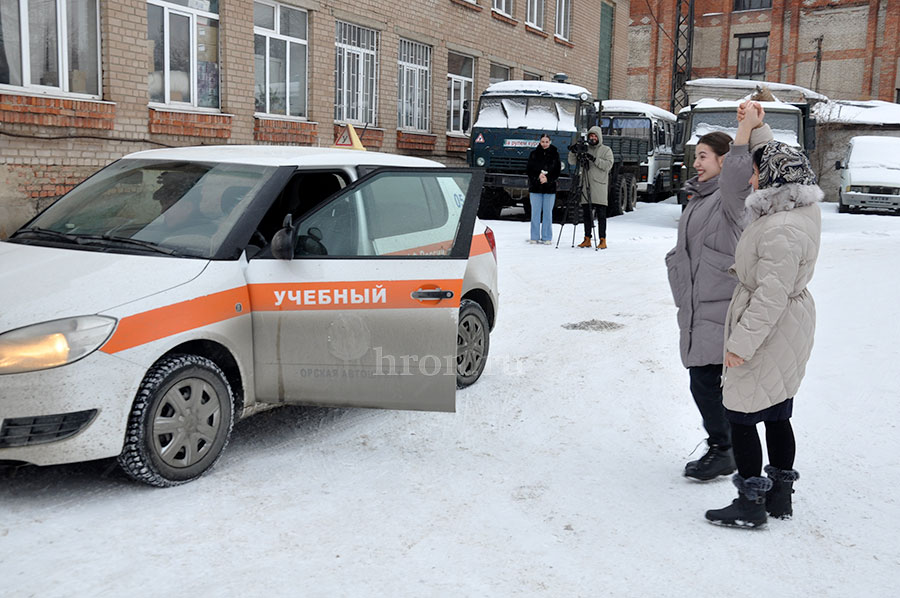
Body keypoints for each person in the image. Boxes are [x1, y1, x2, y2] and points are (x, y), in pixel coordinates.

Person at [705, 133, 823, 529]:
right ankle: (779, 496)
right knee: (776, 411)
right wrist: (755, 125)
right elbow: (777, 156)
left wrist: (741, 344)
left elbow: (770, 296)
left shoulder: (781, 228)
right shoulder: (797, 209)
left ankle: (751, 502)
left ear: (774, 177)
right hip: (788, 325)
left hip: (769, 328)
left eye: (757, 173)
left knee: (740, 414)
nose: (753, 180)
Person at [665, 101, 774, 482]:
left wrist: (744, 130)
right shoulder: (700, 196)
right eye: (696, 156)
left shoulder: (729, 198)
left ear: (725, 162)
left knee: (706, 382)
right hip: (698, 303)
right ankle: (723, 445)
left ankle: (724, 448)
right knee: (705, 381)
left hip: (719, 305)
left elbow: (739, 173)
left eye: (704, 156)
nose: (697, 163)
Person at [568, 126, 613, 249]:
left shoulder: (606, 150)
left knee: (601, 215)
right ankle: (587, 238)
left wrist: (594, 159)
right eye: (590, 136)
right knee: (587, 215)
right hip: (585, 185)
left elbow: (608, 165)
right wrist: (573, 151)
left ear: (599, 137)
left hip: (599, 186)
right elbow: (572, 162)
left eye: (595, 136)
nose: (592, 138)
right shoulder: (585, 149)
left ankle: (602, 239)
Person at [526, 133, 561, 244]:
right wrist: (538, 176)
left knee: (547, 213)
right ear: (540, 142)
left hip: (549, 189)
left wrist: (548, 178)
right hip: (535, 188)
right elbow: (529, 169)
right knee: (535, 213)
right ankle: (534, 236)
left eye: (546, 142)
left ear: (549, 142)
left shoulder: (555, 155)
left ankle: (547, 237)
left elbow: (557, 171)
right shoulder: (534, 154)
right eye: (543, 142)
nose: (544, 144)